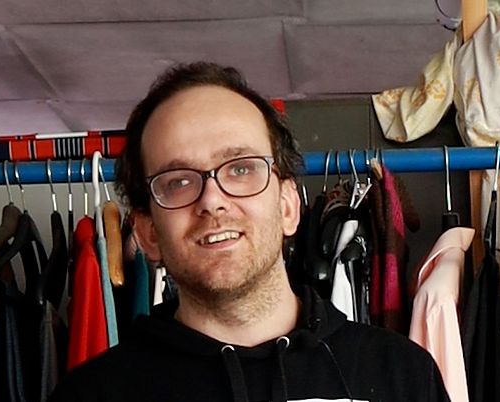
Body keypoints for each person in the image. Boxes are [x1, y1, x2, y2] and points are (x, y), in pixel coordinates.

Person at [49, 61, 450, 402]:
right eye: (178, 181)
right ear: (148, 232)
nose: (212, 200)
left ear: (288, 206)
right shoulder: (90, 395)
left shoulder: (401, 374)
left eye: (241, 169)